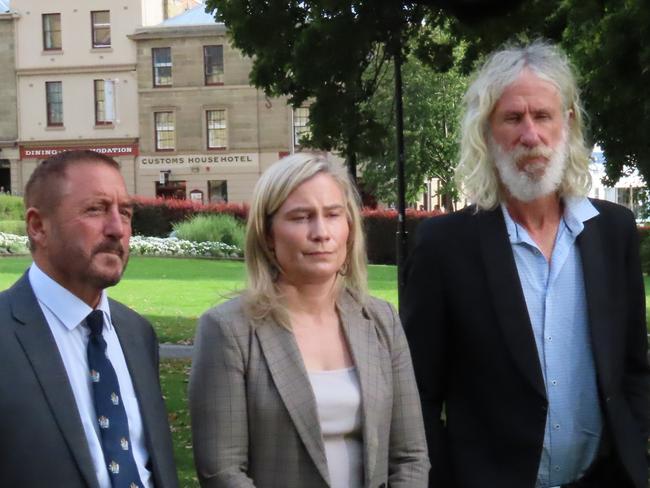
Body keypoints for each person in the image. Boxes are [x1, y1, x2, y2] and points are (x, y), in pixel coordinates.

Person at [402, 41, 650, 488]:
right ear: (487, 131)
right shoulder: (444, 246)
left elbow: (633, 367)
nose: (530, 135)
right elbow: (418, 392)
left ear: (567, 123)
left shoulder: (613, 232)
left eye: (543, 116)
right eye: (513, 118)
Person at [189, 153, 429, 488]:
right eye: (301, 217)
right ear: (268, 233)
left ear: (349, 227)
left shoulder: (381, 320)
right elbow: (222, 471)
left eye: (333, 215)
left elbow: (411, 456)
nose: (321, 232)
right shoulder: (229, 330)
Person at [0, 150, 179, 487]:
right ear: (38, 227)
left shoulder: (137, 333)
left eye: (125, 213)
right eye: (95, 210)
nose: (117, 229)